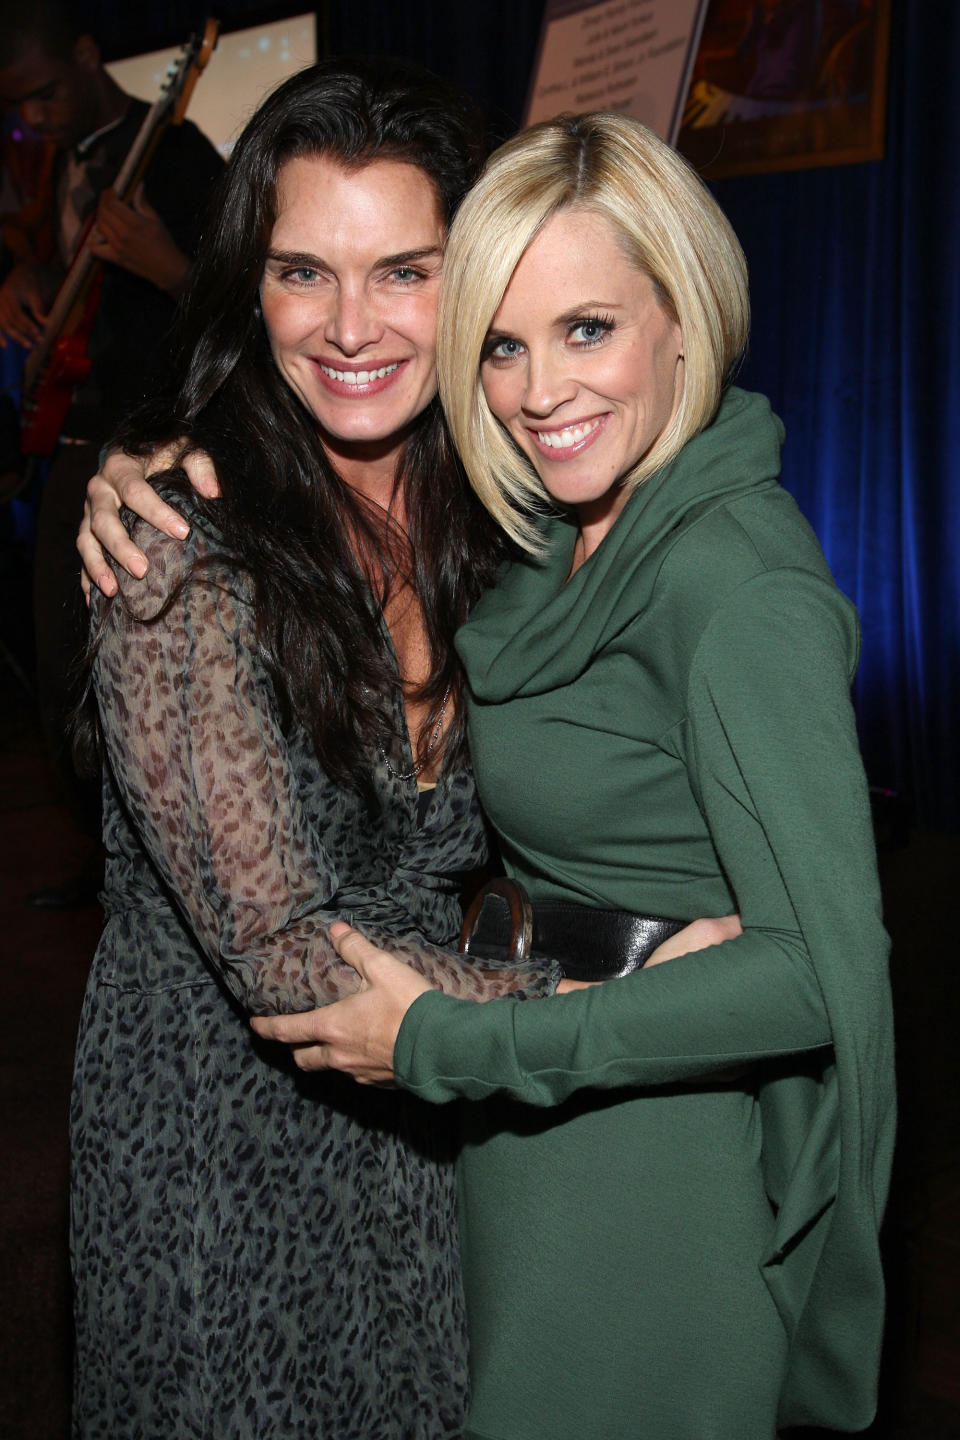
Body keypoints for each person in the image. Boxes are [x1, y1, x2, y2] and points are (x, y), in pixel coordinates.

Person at [248, 114, 896, 1440]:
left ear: (682, 318)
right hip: (545, 1125)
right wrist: (151, 465)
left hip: (658, 1176)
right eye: (502, 343)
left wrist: (452, 1043)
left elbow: (821, 976)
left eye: (587, 329)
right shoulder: (558, 533)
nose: (542, 391)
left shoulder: (733, 586)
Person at [0, 0, 222, 905]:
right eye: (19, 108)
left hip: (151, 446)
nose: (38, 117)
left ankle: (151, 873)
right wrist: (21, 277)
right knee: (62, 665)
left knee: (140, 684)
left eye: (47, 93)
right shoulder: (59, 165)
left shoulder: (176, 151)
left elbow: (238, 302)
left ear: (88, 56)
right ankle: (100, 856)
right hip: (73, 439)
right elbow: (57, 273)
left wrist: (165, 263)